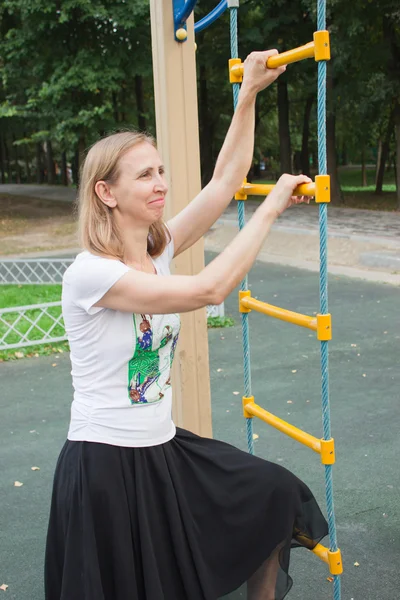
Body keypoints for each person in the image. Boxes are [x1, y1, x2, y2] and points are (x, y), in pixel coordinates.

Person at [45, 49, 328, 600]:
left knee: (271, 492)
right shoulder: (91, 275)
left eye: (161, 171)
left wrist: (248, 93)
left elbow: (225, 180)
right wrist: (268, 209)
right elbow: (208, 290)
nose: (160, 183)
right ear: (106, 192)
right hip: (105, 463)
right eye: (144, 175)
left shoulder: (160, 248)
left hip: (162, 448)